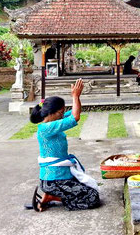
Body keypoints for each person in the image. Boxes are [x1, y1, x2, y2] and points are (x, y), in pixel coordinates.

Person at [30, 78, 101, 212]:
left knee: (89, 188)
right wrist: (75, 96)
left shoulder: (53, 122)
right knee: (93, 198)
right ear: (50, 113)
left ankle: (51, 196)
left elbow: (74, 113)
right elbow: (75, 117)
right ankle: (53, 196)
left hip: (61, 175)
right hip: (53, 180)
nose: (62, 115)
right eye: (60, 112)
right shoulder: (46, 128)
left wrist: (76, 98)